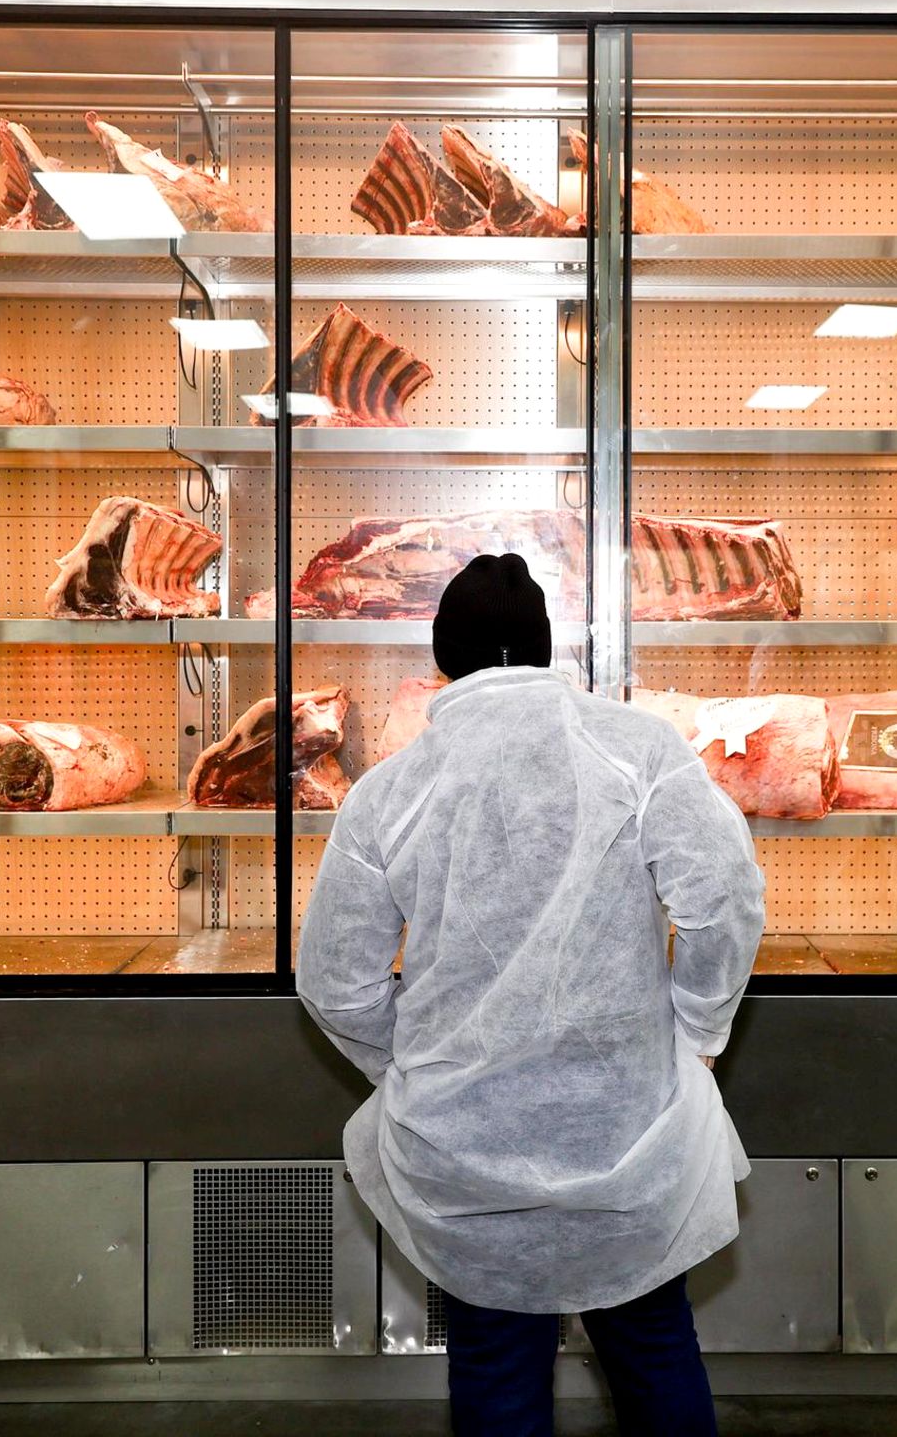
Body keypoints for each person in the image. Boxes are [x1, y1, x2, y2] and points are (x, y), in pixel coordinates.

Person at [298, 552, 765, 1437]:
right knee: (655, 1349)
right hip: (628, 1130)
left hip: (463, 1145)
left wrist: (414, 1066)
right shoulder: (639, 750)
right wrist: (696, 1030)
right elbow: (725, 903)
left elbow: (334, 982)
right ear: (548, 649)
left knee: (495, 1369)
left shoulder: (388, 792)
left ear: (444, 658)